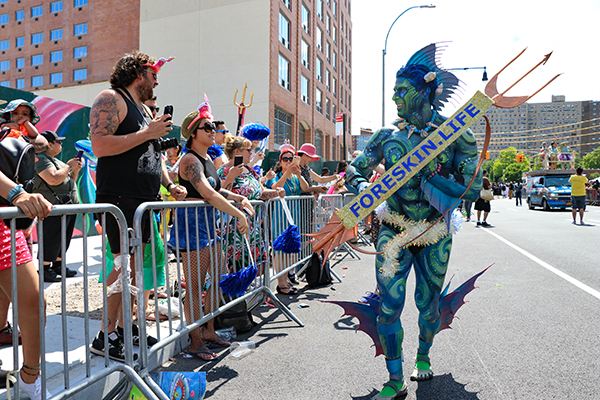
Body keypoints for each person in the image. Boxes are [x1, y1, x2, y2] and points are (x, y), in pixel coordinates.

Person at [344, 47, 482, 399]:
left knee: (428, 304)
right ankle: (395, 378)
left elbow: (473, 189)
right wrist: (366, 189)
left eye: (402, 91)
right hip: (393, 229)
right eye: (394, 91)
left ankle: (423, 355)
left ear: (425, 93)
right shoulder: (386, 137)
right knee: (388, 304)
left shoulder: (457, 134)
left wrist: (433, 176)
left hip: (435, 231)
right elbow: (353, 171)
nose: (395, 97)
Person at [89, 52, 186, 361]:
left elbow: (152, 156)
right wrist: (147, 133)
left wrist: (169, 185)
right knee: (120, 269)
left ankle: (125, 326)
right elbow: (100, 146)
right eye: (153, 73)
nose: (157, 80)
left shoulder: (144, 109)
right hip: (119, 199)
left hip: (145, 202)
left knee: (134, 270)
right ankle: (105, 336)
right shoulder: (110, 97)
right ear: (137, 73)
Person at [168, 102, 252, 360]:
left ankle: (209, 330)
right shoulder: (190, 160)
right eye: (207, 127)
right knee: (194, 287)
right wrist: (238, 213)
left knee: (215, 281)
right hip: (192, 230)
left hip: (208, 227)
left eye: (213, 126)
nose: (213, 130)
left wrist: (239, 199)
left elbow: (215, 188)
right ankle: (195, 340)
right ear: (193, 133)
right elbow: (205, 192)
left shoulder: (205, 159)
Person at [0, 169, 53, 399]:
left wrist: (16, 194)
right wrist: (16, 194)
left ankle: (30, 379)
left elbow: (37, 140)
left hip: (3, 220)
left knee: (33, 299)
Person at [217, 135, 284, 269]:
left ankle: (249, 289)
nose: (251, 152)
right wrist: (231, 177)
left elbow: (260, 193)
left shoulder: (250, 171)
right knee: (237, 268)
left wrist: (276, 192)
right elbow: (220, 195)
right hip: (234, 227)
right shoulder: (223, 171)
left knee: (259, 266)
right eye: (248, 150)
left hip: (253, 225)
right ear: (237, 152)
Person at [33, 130, 82, 282]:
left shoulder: (54, 160)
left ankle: (58, 265)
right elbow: (53, 179)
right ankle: (45, 268)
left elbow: (68, 180)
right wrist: (68, 166)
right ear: (49, 144)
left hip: (66, 206)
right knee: (51, 237)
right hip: (53, 207)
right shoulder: (41, 159)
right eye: (58, 141)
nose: (61, 144)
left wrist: (75, 171)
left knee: (63, 237)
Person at [265, 144, 310, 295]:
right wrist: (286, 173)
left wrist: (297, 174)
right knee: (280, 250)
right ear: (280, 161)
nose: (288, 161)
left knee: (290, 251)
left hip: (293, 217)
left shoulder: (296, 177)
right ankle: (281, 283)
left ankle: (286, 281)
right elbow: (275, 187)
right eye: (285, 159)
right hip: (280, 217)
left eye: (291, 159)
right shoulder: (275, 176)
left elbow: (304, 188)